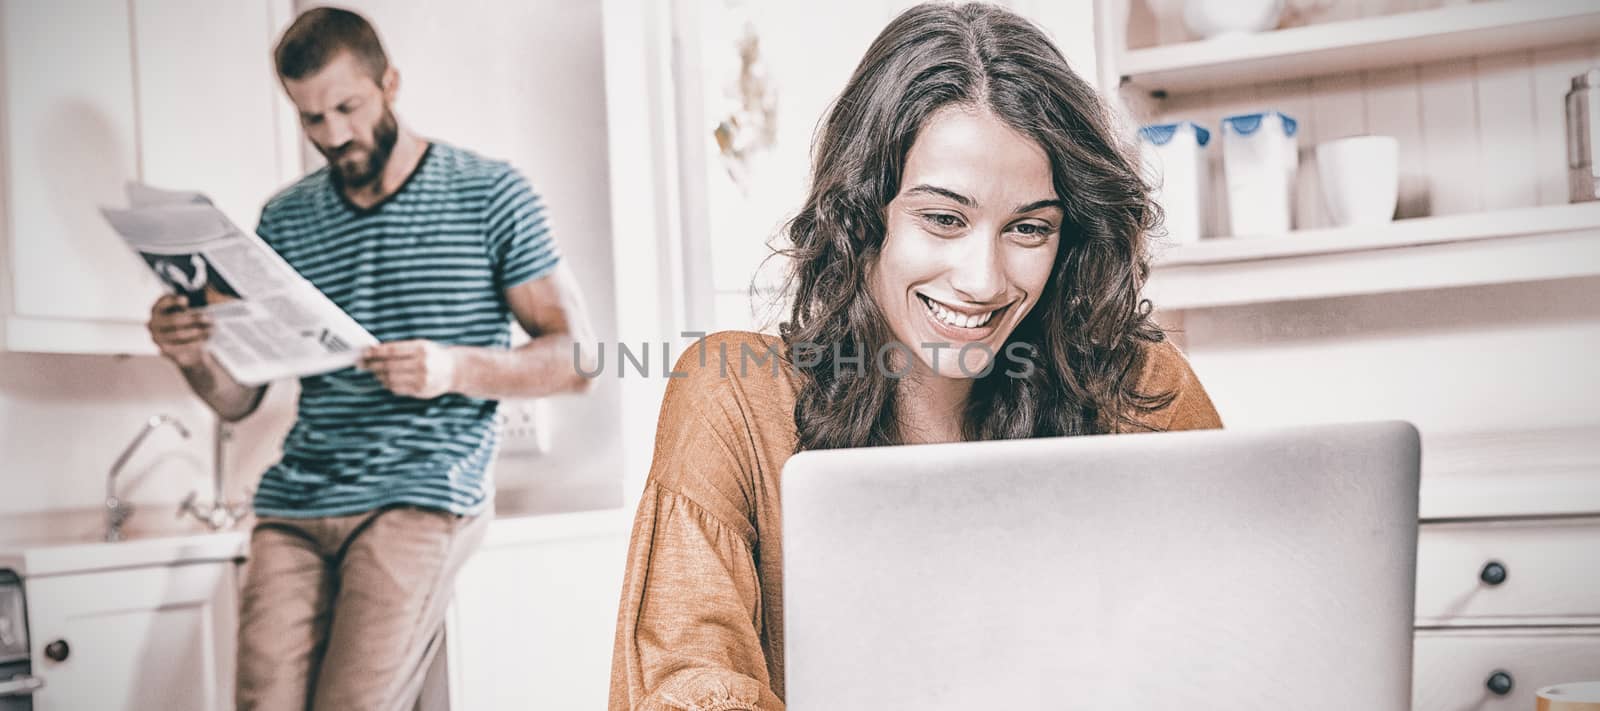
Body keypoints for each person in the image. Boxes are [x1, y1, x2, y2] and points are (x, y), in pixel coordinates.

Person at [608, 4, 1222, 709]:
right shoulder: (734, 404)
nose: (984, 278)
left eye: (1028, 228)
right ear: (863, 214)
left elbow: (1245, 631)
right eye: (943, 219)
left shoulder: (1136, 387)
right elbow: (688, 681)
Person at [144, 8, 596, 711]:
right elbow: (241, 399)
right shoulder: (285, 219)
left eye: (347, 107)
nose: (333, 135)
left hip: (421, 493)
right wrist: (192, 356)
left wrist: (452, 369)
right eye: (310, 118)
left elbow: (577, 357)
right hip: (296, 501)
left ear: (390, 82)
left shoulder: (490, 193)